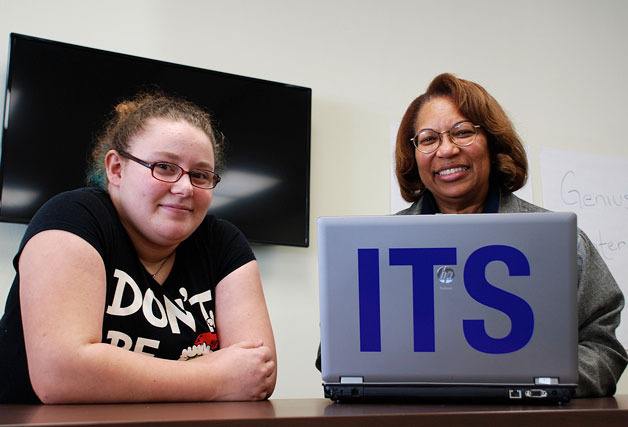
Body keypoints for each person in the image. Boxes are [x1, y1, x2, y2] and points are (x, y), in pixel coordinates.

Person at [0, 93, 276, 403]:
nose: (185, 188)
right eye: (164, 167)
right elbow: (61, 373)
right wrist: (216, 379)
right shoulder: (73, 217)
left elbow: (257, 373)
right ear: (116, 169)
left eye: (200, 175)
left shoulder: (222, 242)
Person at [394, 73, 627, 397]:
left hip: (525, 415)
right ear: (415, 154)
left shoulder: (563, 242)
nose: (446, 150)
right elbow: (338, 350)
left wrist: (533, 381)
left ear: (493, 143)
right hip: (412, 417)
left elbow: (604, 349)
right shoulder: (376, 249)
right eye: (429, 139)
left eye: (462, 132)